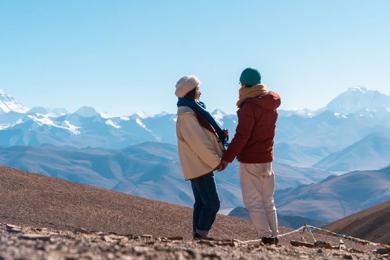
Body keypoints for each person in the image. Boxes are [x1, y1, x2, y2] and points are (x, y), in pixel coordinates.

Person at [218, 68, 281, 245]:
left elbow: (243, 136)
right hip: (267, 160)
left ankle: (266, 237)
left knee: (253, 202)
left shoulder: (249, 107)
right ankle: (274, 236)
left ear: (244, 84)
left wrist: (227, 158)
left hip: (251, 161)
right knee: (268, 200)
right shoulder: (271, 104)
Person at [175, 75, 228, 239]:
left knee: (201, 202)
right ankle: (200, 236)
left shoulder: (193, 110)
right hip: (200, 165)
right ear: (191, 92)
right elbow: (200, 144)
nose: (200, 92)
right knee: (212, 204)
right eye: (198, 89)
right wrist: (216, 161)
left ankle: (197, 237)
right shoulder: (188, 116)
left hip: (197, 165)